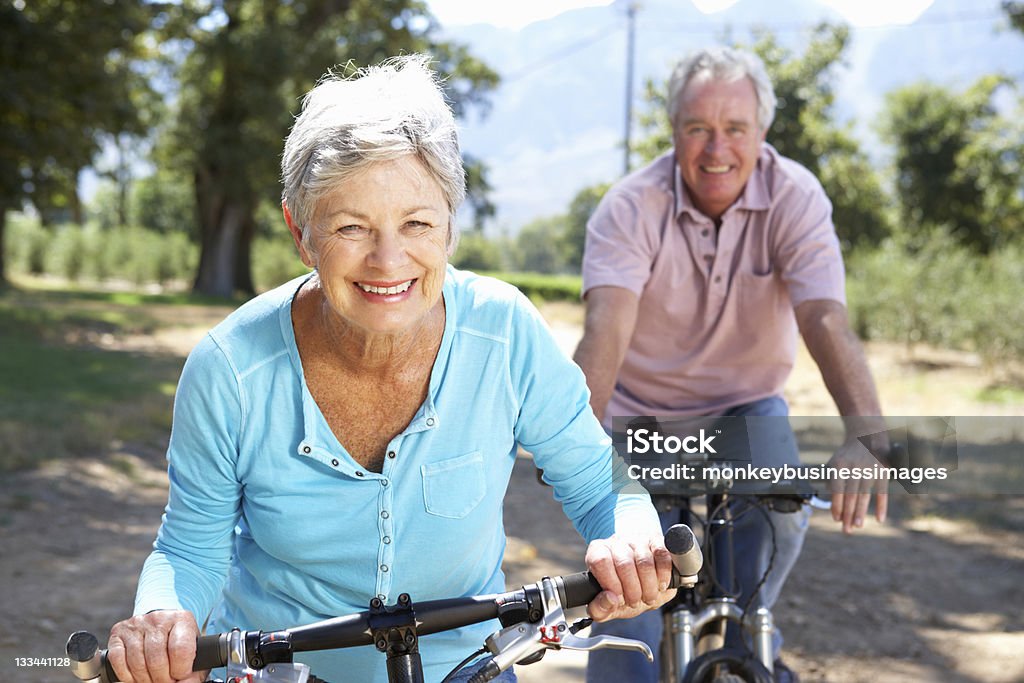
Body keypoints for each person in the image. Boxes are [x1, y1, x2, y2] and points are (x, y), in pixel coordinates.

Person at [105, 55, 676, 683]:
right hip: (281, 672)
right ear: (302, 233)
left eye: (417, 223)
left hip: (467, 667)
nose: (388, 259)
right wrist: (163, 617)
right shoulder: (230, 370)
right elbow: (190, 545)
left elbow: (599, 480)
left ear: (451, 227)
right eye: (352, 227)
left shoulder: (505, 331)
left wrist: (631, 534)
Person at [575, 47, 889, 683]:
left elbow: (824, 317)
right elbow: (603, 333)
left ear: (762, 133)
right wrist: (578, 450)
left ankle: (745, 636)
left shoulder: (795, 197)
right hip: (643, 419)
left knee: (773, 536)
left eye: (735, 129)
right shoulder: (630, 207)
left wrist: (867, 433)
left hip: (748, 410)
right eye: (698, 128)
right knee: (626, 609)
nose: (717, 149)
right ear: (674, 133)